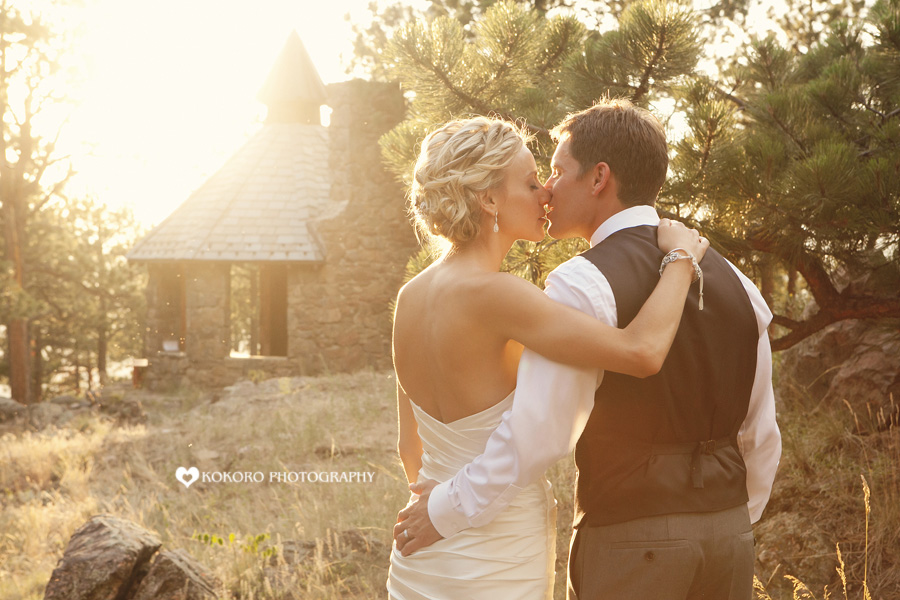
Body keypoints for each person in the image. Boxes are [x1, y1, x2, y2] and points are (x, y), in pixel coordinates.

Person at [393, 99, 782, 600]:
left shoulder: (421, 296)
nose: (546, 192)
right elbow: (759, 428)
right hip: (727, 535)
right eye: (534, 181)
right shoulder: (740, 285)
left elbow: (525, 433)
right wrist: (734, 520)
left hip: (580, 534)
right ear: (489, 199)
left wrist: (439, 504)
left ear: (599, 178)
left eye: (550, 174)